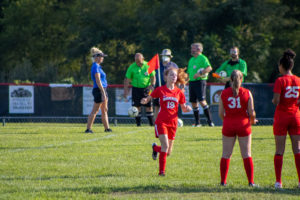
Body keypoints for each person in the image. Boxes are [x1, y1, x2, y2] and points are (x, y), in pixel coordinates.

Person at [141, 67, 192, 176]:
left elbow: (183, 108)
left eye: (175, 75)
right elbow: (150, 97)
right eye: (171, 75)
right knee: (165, 147)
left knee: (168, 152)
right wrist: (145, 100)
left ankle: (155, 148)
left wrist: (187, 108)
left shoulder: (179, 92)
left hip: (173, 123)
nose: (174, 77)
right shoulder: (160, 89)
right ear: (166, 77)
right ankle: (161, 172)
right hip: (161, 122)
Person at [218, 70, 257, 187]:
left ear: (230, 79)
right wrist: (252, 121)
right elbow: (252, 112)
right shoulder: (247, 92)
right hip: (243, 125)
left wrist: (227, 121)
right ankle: (251, 182)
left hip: (229, 124)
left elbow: (221, 113)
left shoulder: (224, 93)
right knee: (246, 154)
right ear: (241, 79)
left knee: (226, 154)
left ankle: (223, 182)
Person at [272, 49, 300, 189]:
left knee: (279, 150)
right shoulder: (298, 80)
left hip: (282, 116)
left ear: (282, 66)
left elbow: (276, 100)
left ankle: (278, 182)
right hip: (295, 116)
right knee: (298, 150)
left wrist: (273, 100)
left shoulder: (280, 80)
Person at [124, 53, 156, 126]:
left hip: (147, 89)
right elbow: (127, 79)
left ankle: (151, 124)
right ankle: (138, 124)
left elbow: (153, 76)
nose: (138, 63)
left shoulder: (148, 65)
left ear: (143, 59)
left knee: (149, 107)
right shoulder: (132, 67)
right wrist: (125, 90)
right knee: (137, 107)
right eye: (136, 61)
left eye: (139, 61)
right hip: (136, 89)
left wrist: (152, 85)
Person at [85, 47, 112, 133]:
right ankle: (88, 129)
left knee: (104, 109)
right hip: (99, 89)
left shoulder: (99, 66)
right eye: (101, 56)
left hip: (103, 89)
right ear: (96, 57)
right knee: (95, 110)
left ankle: (107, 128)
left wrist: (104, 91)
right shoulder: (95, 66)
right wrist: (103, 92)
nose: (102, 58)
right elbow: (98, 80)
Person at [187, 42, 214, 127]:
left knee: (202, 101)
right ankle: (198, 123)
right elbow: (189, 73)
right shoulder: (191, 59)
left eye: (193, 48)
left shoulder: (203, 58)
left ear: (199, 49)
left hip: (200, 81)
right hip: (191, 82)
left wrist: (200, 73)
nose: (191, 50)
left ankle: (210, 122)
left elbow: (209, 68)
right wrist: (185, 81)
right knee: (193, 102)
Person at [153, 49, 179, 120]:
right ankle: (156, 122)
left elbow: (178, 77)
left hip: (169, 89)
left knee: (170, 106)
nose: (165, 57)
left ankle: (170, 120)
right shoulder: (157, 65)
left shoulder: (174, 65)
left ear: (170, 57)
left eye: (167, 56)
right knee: (157, 106)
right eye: (163, 55)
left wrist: (179, 87)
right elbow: (152, 75)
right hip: (158, 88)